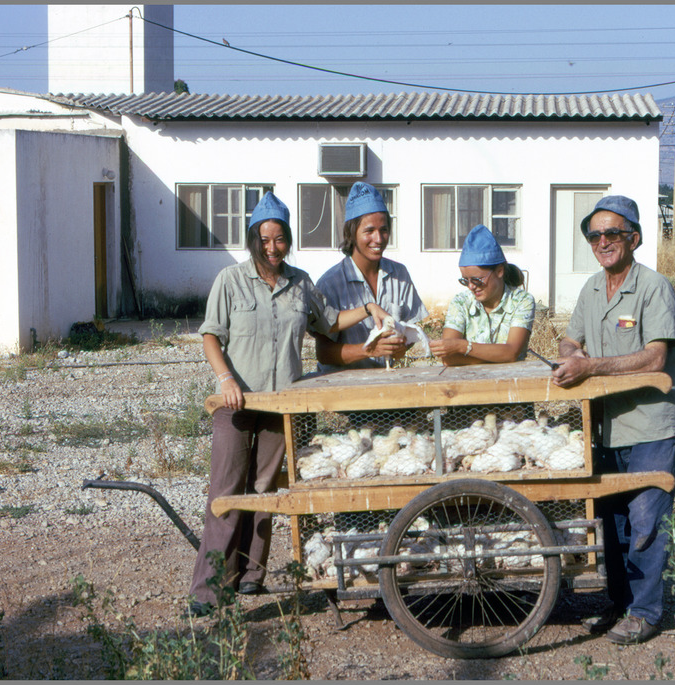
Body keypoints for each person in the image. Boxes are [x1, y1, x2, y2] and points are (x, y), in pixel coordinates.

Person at [188, 191, 388, 617]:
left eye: (280, 239)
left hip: (282, 407)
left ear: (288, 240)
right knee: (226, 493)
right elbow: (210, 336)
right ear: (252, 240)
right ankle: (206, 592)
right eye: (265, 239)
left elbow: (329, 321)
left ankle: (248, 578)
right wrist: (225, 379)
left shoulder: (300, 283)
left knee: (264, 491)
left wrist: (368, 306)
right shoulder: (230, 280)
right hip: (237, 404)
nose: (272, 248)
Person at [551, 195, 675, 645]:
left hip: (650, 427)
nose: (603, 242)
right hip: (606, 428)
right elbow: (571, 340)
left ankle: (646, 612)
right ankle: (619, 603)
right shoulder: (592, 288)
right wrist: (572, 356)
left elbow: (655, 355)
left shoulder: (653, 287)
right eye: (595, 235)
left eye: (613, 233)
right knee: (612, 526)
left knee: (645, 524)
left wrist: (591, 368)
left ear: (635, 238)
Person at [314, 182, 428, 371]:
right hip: (341, 387)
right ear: (351, 233)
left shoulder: (400, 275)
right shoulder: (330, 284)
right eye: (369, 231)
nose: (378, 239)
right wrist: (368, 350)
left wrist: (400, 347)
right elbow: (323, 353)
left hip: (384, 383)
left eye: (383, 230)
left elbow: (408, 335)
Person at [429, 224, 535, 366]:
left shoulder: (522, 301)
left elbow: (511, 352)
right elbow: (449, 358)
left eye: (477, 280)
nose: (471, 286)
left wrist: (463, 347)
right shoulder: (461, 302)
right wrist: (499, 356)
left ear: (499, 271)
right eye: (465, 280)